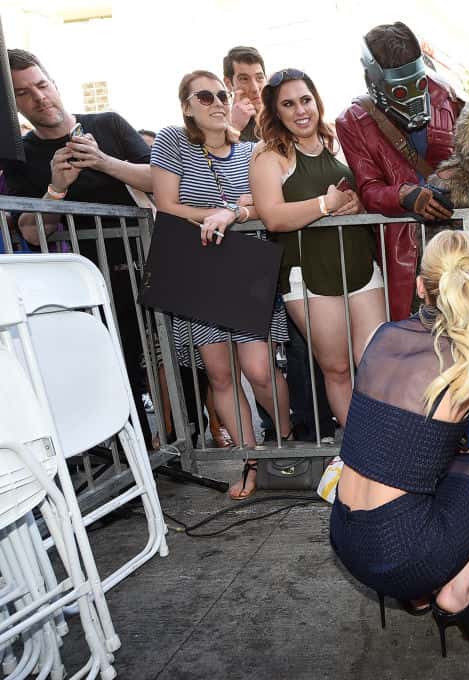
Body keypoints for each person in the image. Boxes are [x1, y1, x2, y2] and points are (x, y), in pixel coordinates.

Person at [331, 230, 469, 655]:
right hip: (401, 552)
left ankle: (415, 593)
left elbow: (397, 440)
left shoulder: (378, 336)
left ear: (421, 286)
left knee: (447, 453)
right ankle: (457, 592)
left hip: (345, 537)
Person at [150, 70, 292, 499]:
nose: (216, 102)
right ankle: (251, 461)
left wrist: (230, 211)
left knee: (259, 369)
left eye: (222, 94)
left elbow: (266, 201)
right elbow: (167, 206)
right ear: (187, 105)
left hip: (248, 268)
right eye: (205, 95)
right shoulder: (172, 140)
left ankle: (287, 447)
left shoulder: (253, 149)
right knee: (219, 374)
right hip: (199, 268)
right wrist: (228, 209)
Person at [3, 48, 155, 446]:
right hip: (88, 281)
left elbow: (159, 180)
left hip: (149, 260)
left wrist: (104, 162)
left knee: (174, 361)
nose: (39, 97)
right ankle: (134, 453)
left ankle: (181, 443)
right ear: (13, 104)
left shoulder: (108, 124)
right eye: (23, 93)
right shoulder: (21, 155)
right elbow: (31, 233)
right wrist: (56, 190)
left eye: (41, 84)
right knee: (114, 364)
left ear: (54, 83)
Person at [250, 68, 384, 429]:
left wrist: (357, 204)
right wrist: (325, 204)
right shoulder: (269, 156)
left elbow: (367, 189)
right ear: (276, 112)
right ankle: (360, 448)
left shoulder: (339, 141)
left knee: (375, 361)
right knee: (337, 368)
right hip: (307, 275)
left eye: (305, 100)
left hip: (360, 265)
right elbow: (273, 217)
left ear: (317, 101)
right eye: (288, 104)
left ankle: (387, 442)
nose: (300, 110)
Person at [336, 22, 460, 321]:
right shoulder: (353, 120)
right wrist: (404, 194)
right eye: (401, 89)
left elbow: (466, 155)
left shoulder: (443, 94)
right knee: (417, 339)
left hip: (455, 239)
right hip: (407, 245)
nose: (414, 96)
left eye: (418, 83)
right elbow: (369, 188)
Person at [223, 46, 267, 142]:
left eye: (259, 78)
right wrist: (234, 126)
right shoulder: (218, 126)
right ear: (228, 84)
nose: (255, 88)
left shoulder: (284, 114)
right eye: (244, 79)